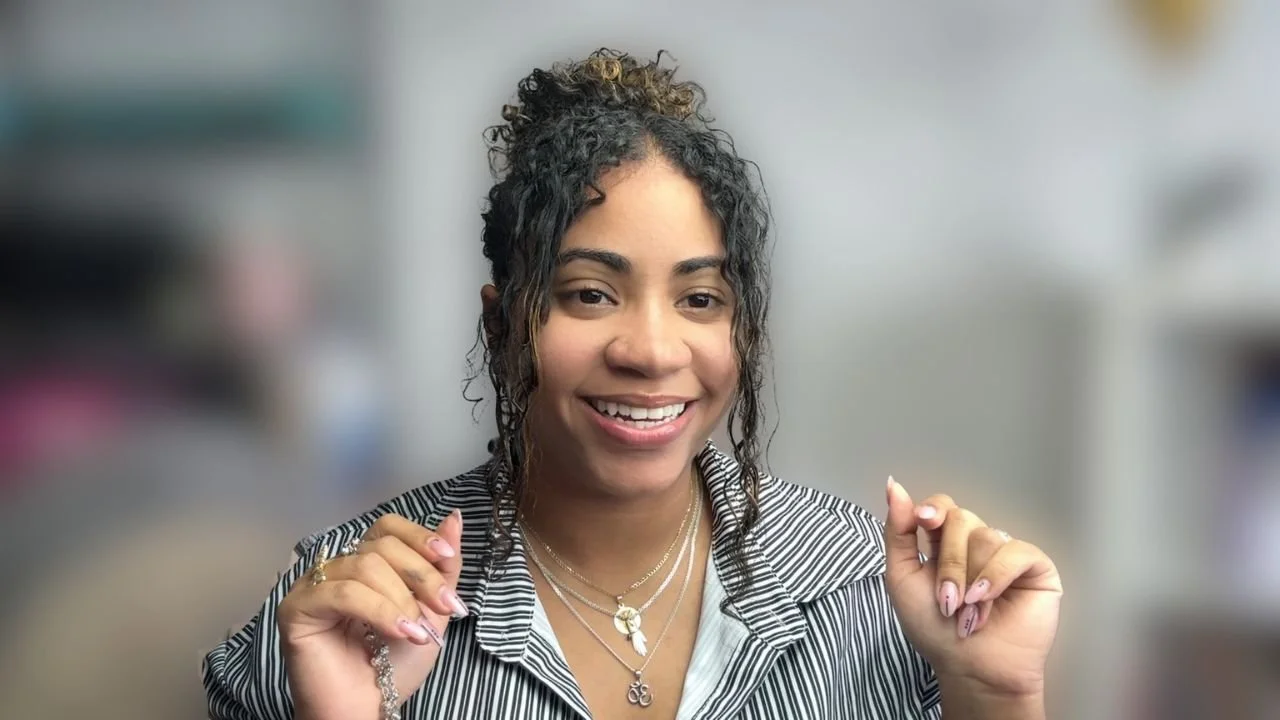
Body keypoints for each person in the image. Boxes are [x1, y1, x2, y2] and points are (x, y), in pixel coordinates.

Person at [202, 48, 1063, 720]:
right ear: (503, 324)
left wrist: (995, 695)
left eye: (698, 298)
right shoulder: (341, 607)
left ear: (741, 330)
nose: (652, 351)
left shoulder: (873, 595)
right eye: (589, 293)